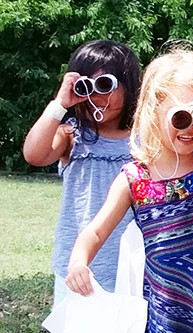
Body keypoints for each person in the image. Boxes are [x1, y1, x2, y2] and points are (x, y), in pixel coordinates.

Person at [64, 46, 193, 333]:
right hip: (166, 304)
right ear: (153, 113)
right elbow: (96, 231)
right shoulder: (134, 178)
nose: (189, 129)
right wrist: (78, 262)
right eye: (179, 118)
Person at [22, 40, 141, 304]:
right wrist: (60, 104)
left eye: (105, 85)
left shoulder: (142, 140)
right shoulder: (72, 135)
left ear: (129, 86)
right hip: (75, 266)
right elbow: (34, 154)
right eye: (86, 87)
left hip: (130, 265)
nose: (95, 97)